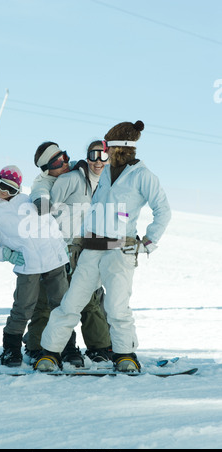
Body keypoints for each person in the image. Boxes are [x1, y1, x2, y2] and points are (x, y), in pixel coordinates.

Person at [34, 121, 172, 373]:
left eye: (106, 148)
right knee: (71, 303)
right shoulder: (105, 173)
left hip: (120, 250)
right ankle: (50, 353)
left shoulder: (143, 176)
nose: (103, 154)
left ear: (121, 148)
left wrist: (148, 242)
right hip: (91, 250)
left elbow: (163, 210)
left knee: (117, 306)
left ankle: (125, 355)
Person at [0, 165, 70, 367]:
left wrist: (62, 251)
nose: (6, 192)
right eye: (3, 186)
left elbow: (51, 225)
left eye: (12, 189)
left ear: (19, 190)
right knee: (23, 308)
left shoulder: (29, 201)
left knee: (61, 306)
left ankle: (67, 348)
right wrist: (6, 254)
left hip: (54, 261)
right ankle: (11, 350)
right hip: (28, 265)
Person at [24, 141, 112, 367]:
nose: (63, 162)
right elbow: (42, 195)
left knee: (91, 298)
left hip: (88, 246)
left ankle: (101, 347)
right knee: (51, 300)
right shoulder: (55, 180)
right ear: (46, 168)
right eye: (56, 161)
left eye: (63, 156)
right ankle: (43, 346)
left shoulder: (88, 174)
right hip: (56, 248)